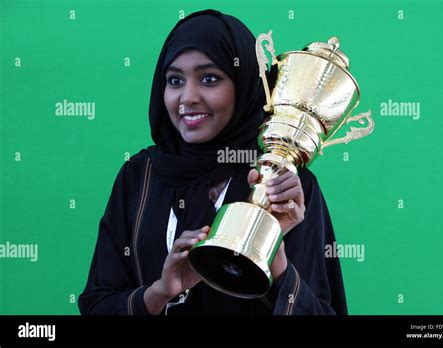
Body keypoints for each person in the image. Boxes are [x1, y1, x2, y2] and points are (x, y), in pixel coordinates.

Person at [78, 9, 347, 315]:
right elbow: (97, 305)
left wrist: (277, 264)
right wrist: (159, 293)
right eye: (175, 80)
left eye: (209, 79)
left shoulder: (283, 188)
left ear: (243, 84)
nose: (188, 97)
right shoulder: (139, 176)